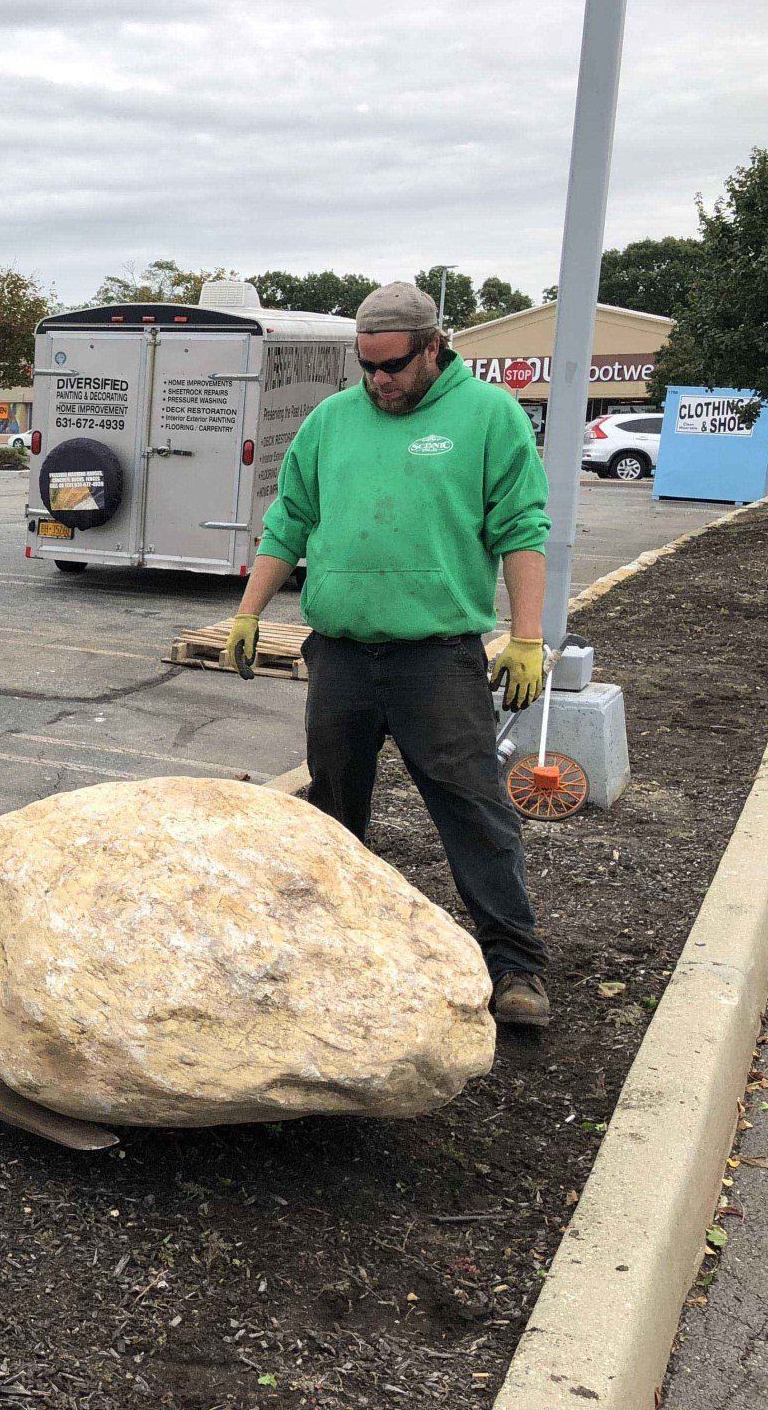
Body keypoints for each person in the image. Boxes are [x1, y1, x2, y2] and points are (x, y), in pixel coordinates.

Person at [224, 282, 553, 1028]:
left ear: (434, 347)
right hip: (340, 657)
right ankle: (333, 952)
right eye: (366, 366)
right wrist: (247, 613)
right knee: (334, 809)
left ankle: (515, 965)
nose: (379, 381)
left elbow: (521, 529)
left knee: (472, 809)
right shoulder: (332, 421)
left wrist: (527, 637)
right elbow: (289, 520)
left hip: (436, 660)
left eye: (394, 366)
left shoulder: (489, 416)